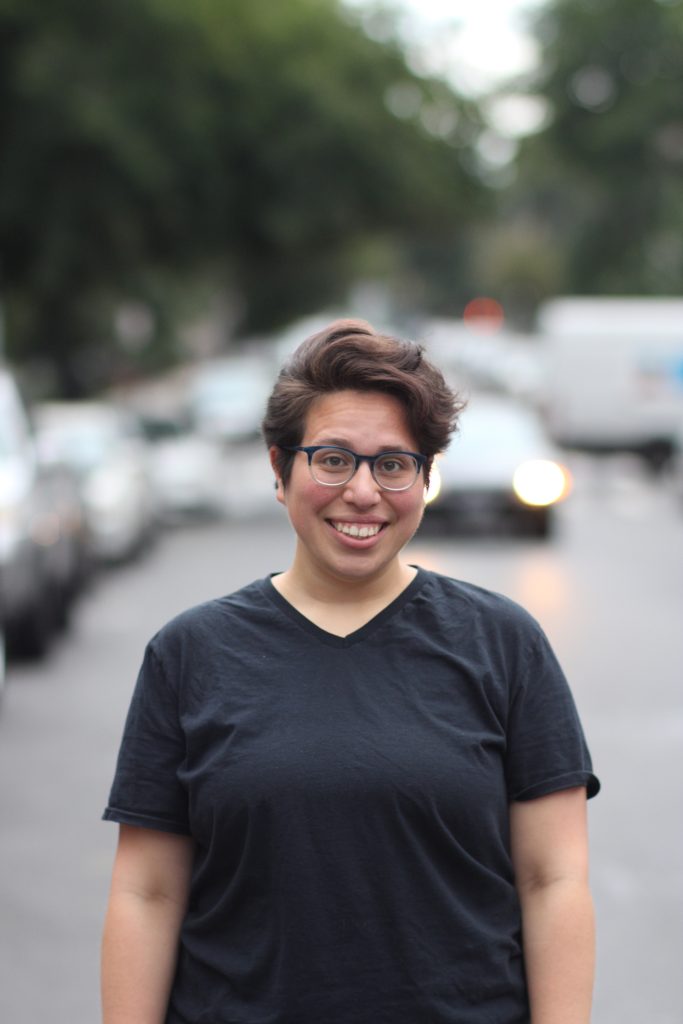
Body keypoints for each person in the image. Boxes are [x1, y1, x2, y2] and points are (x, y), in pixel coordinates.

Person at [101, 318, 600, 1024]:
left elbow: (552, 879)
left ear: (426, 479)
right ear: (280, 470)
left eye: (393, 464)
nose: (362, 492)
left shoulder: (503, 645)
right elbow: (146, 892)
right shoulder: (191, 653)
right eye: (332, 458)